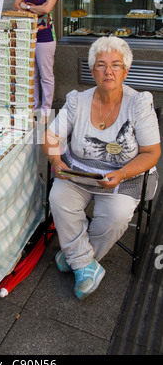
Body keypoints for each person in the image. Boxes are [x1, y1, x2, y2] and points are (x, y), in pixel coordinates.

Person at [42, 36, 161, 300]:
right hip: (79, 172)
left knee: (116, 215)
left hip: (123, 176)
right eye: (101, 65)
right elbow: (51, 137)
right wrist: (56, 161)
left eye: (116, 65)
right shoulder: (77, 101)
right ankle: (85, 265)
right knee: (59, 198)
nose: (109, 71)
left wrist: (121, 173)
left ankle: (75, 256)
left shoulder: (139, 103)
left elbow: (152, 153)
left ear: (125, 70)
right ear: (92, 70)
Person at [13, 0, 60, 122]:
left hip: (45, 36)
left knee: (46, 75)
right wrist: (33, 9)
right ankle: (33, 106)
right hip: (28, 35)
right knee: (31, 74)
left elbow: (47, 8)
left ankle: (46, 110)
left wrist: (27, 7)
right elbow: (15, 5)